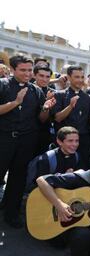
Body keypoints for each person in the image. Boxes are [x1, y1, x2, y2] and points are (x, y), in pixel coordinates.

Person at [0, 54, 55, 228]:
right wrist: (16, 102)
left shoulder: (36, 91)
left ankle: (11, 214)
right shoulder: (3, 85)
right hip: (4, 139)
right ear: (13, 69)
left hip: (26, 141)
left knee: (18, 179)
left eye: (29, 70)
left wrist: (46, 108)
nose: (27, 73)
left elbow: (41, 118)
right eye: (23, 70)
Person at [52, 65, 90, 166]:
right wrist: (70, 106)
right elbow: (57, 118)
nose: (80, 80)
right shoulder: (59, 95)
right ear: (69, 78)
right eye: (77, 77)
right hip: (64, 142)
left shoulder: (88, 98)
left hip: (84, 142)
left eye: (82, 77)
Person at [33, 64, 56, 153]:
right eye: (41, 76)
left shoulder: (53, 93)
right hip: (26, 133)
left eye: (47, 76)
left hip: (44, 134)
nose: (45, 79)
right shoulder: (26, 89)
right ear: (34, 75)